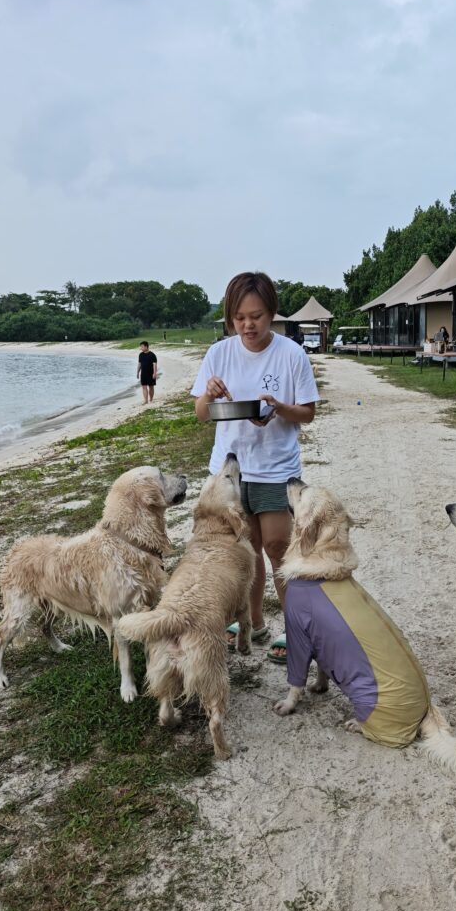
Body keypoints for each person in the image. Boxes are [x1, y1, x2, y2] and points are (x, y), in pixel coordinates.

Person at [192, 271, 319, 664]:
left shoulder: (291, 354)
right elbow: (201, 414)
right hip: (230, 471)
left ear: (271, 314)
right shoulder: (219, 354)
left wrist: (280, 408)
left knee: (279, 550)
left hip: (276, 469)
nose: (248, 325)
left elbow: (308, 413)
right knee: (244, 553)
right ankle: (253, 622)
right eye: (239, 318)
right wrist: (209, 395)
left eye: (256, 316)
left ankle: (295, 631)